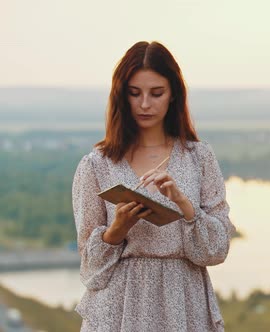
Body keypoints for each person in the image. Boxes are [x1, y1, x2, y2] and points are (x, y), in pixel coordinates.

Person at [72, 41, 235, 331]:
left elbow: (217, 251)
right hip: (117, 311)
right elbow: (90, 270)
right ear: (122, 96)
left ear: (173, 94)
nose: (145, 104)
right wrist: (116, 230)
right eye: (134, 93)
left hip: (184, 305)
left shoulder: (199, 158)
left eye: (156, 93)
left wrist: (185, 206)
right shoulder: (96, 165)